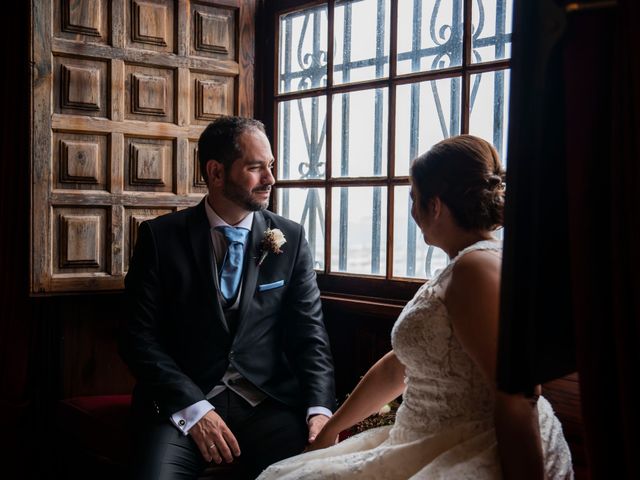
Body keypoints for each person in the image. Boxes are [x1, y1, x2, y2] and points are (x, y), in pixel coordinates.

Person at [257, 135, 573, 479]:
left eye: (414, 198)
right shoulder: (463, 265)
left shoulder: (475, 269)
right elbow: (399, 367)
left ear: (434, 205)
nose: (412, 211)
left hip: (474, 447)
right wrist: (331, 429)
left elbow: (518, 393)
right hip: (426, 438)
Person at [120, 116, 336, 479]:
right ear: (216, 172)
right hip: (182, 409)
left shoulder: (290, 237)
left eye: (270, 166)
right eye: (255, 168)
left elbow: (310, 334)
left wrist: (319, 408)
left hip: (269, 406)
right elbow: (136, 337)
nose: (270, 179)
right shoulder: (161, 239)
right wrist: (194, 409)